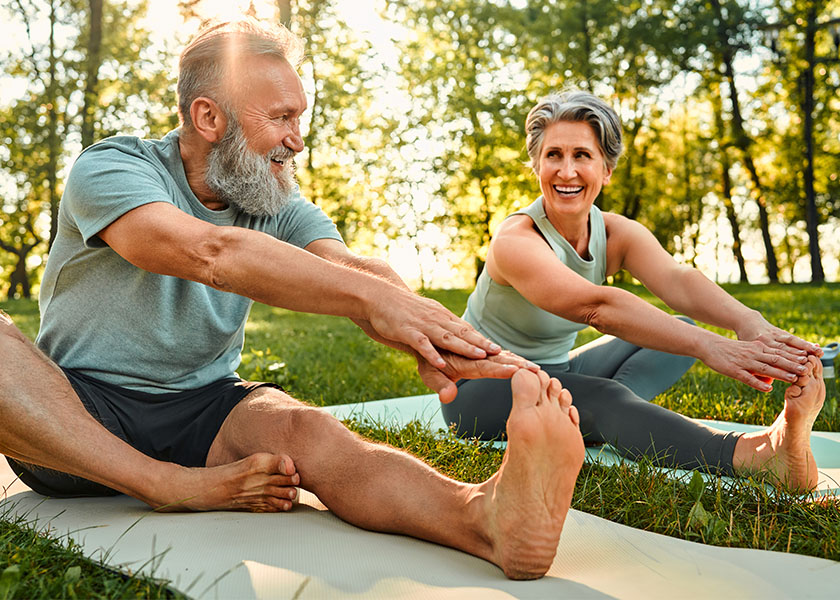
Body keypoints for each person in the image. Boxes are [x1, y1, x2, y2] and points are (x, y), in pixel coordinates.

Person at [0, 20, 586, 580]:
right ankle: (165, 484)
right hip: (74, 417)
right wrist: (366, 298)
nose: (296, 141)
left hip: (206, 409)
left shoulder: (273, 199)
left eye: (298, 118)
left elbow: (353, 269)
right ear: (208, 117)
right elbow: (210, 253)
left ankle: (485, 520)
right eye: (281, 118)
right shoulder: (113, 167)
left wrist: (433, 334)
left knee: (310, 432)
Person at [442, 89, 826, 491]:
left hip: (555, 371)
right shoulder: (516, 240)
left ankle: (596, 416)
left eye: (582, 156)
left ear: (606, 170)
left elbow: (678, 281)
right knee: (608, 395)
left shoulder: (613, 232)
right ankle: (758, 455)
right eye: (553, 155)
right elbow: (595, 307)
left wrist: (750, 323)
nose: (566, 171)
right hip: (478, 389)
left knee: (673, 331)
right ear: (536, 166)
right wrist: (711, 346)